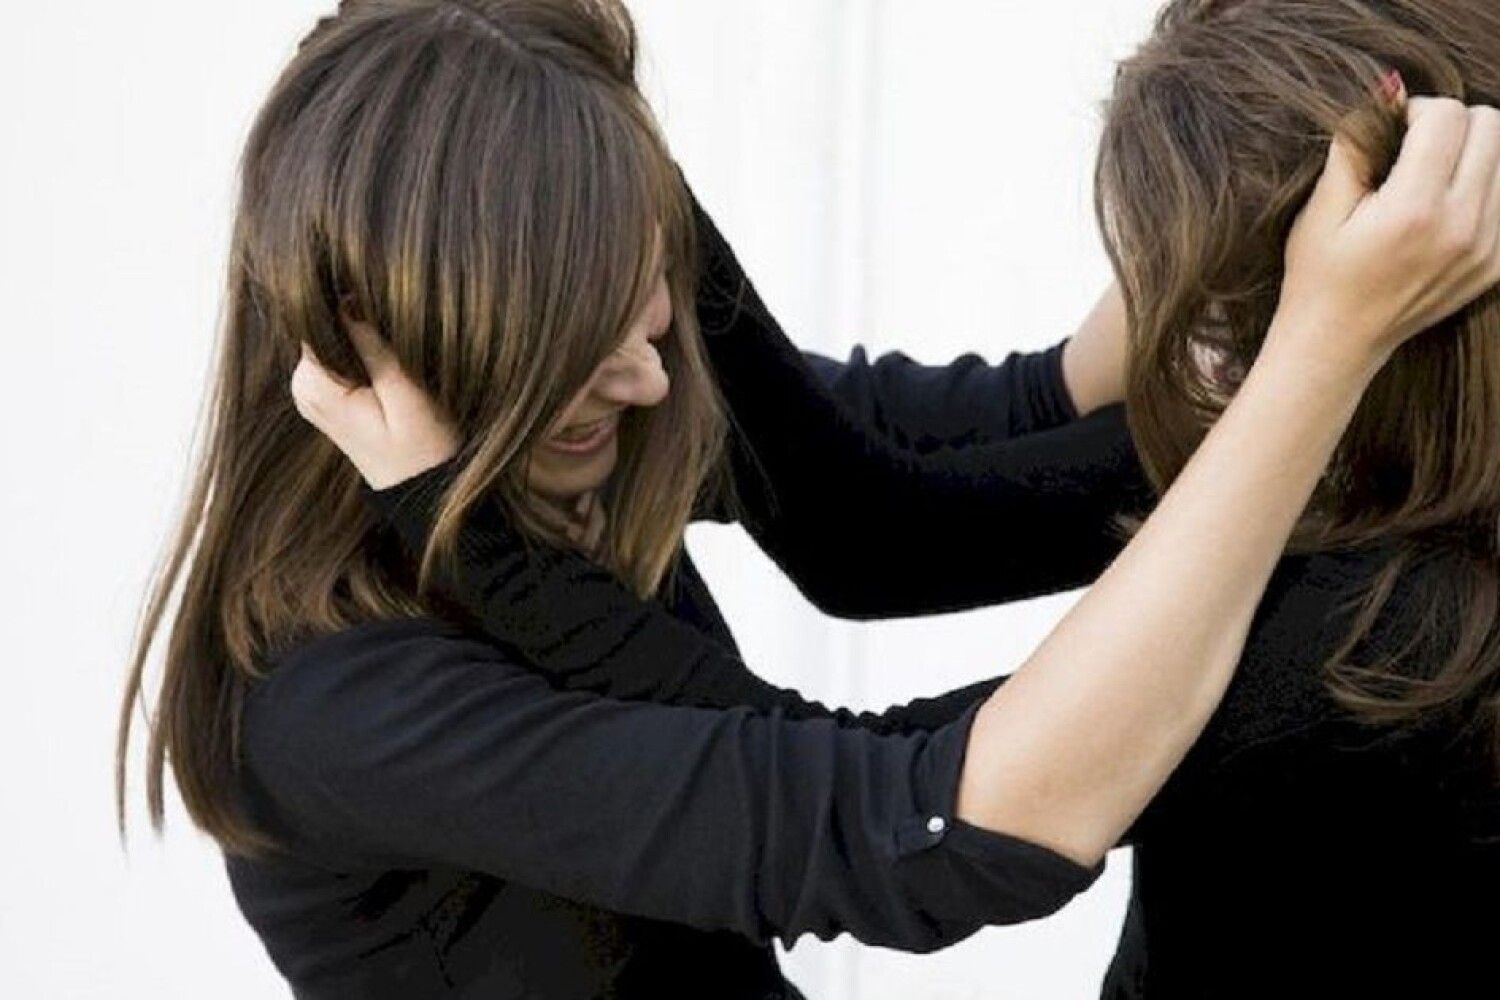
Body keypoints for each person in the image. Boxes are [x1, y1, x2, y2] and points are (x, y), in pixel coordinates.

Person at [116, 1, 1500, 997]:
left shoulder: (578, 404)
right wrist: (1321, 348)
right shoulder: (340, 710)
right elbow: (937, 830)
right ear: (384, 349)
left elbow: (878, 509)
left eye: (653, 303)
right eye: (583, 358)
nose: (652, 380)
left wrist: (1248, 202)